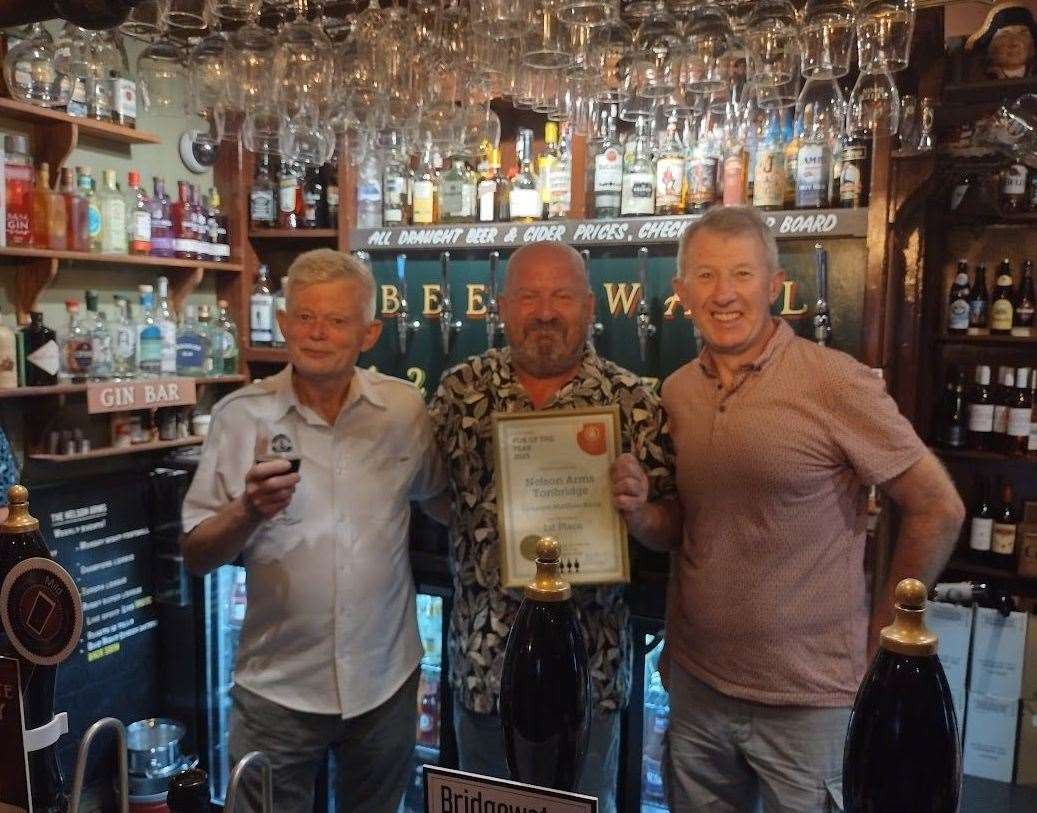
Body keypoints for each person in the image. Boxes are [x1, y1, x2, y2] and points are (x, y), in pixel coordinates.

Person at [660, 206, 965, 812]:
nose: (724, 294)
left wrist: (885, 632)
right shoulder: (678, 390)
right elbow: (692, 524)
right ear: (681, 292)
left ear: (774, 286)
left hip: (810, 702)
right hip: (697, 688)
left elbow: (937, 507)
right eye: (706, 276)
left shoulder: (834, 382)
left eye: (743, 275)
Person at [181, 249, 446, 813]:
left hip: (384, 682)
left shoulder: (402, 410)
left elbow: (441, 498)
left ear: (368, 333)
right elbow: (197, 554)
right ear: (282, 324)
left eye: (337, 320)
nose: (318, 333)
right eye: (304, 317)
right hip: (276, 690)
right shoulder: (240, 417)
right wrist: (247, 511)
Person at [428, 241, 681, 813]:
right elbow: (433, 496)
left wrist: (639, 512)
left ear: (590, 306)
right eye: (528, 297)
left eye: (561, 295)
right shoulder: (460, 390)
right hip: (482, 670)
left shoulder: (634, 399)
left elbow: (672, 529)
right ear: (502, 307)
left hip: (589, 672)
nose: (545, 311)